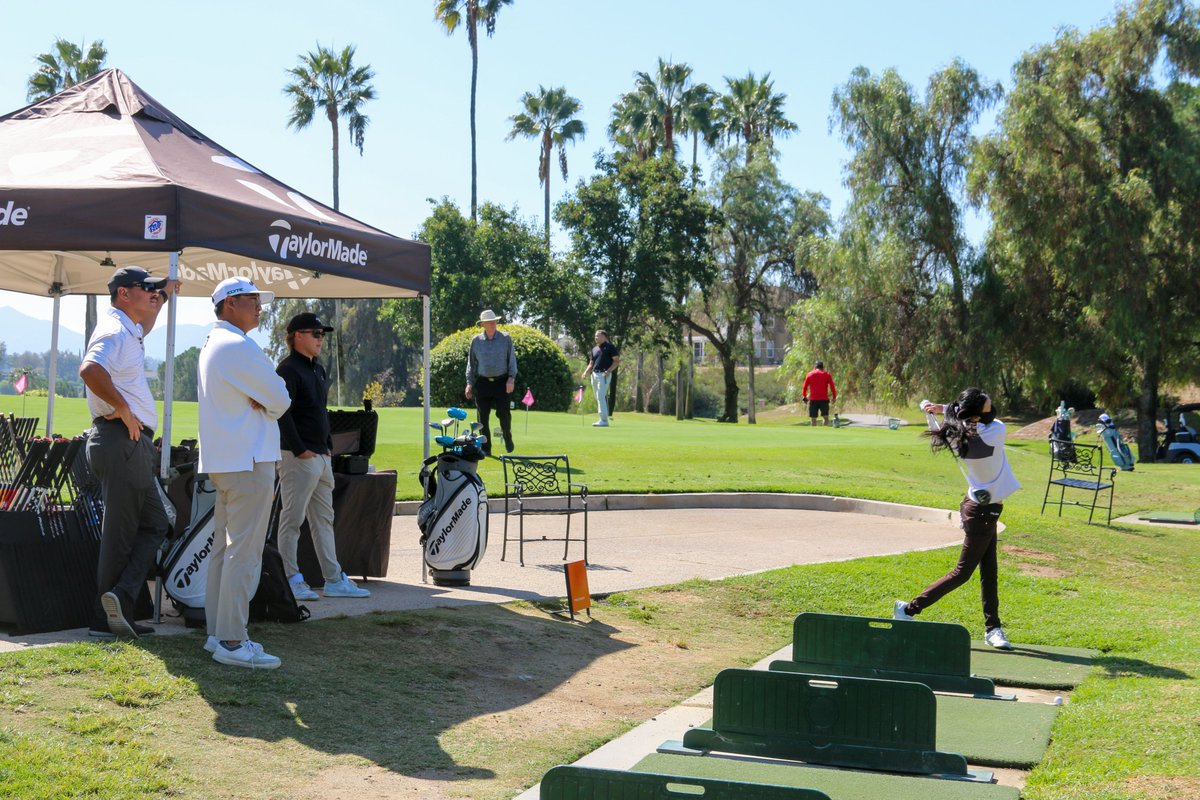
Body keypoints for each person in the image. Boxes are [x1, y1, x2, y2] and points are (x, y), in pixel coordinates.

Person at [79, 267, 179, 639]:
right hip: (120, 438)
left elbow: (148, 323)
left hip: (128, 442)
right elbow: (90, 369)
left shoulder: (130, 328)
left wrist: (164, 294)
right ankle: (102, 619)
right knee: (120, 534)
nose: (153, 294)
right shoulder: (114, 330)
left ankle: (119, 599)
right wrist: (122, 407)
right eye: (146, 289)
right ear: (124, 294)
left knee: (157, 522)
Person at [198, 278, 292, 669]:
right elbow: (282, 398)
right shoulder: (239, 346)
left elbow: (271, 397)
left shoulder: (213, 344)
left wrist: (266, 399)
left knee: (225, 550)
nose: (259, 307)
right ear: (231, 303)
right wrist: (268, 400)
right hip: (248, 460)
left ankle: (219, 634)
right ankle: (233, 641)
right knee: (244, 551)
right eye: (253, 300)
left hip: (227, 461)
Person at [893, 388, 1021, 650]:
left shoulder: (956, 435)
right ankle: (908, 609)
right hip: (982, 513)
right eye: (988, 404)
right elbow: (977, 417)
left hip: (978, 507)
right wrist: (944, 408)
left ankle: (992, 627)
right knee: (962, 573)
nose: (992, 406)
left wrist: (940, 409)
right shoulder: (996, 431)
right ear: (977, 414)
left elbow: (958, 417)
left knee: (990, 571)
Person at [276, 312, 370, 602]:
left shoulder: (318, 369)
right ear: (297, 336)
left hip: (321, 456)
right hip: (298, 456)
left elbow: (319, 411)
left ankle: (333, 579)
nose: (320, 339)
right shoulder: (287, 369)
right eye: (315, 334)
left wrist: (327, 446)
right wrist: (299, 448)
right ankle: (291, 578)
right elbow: (282, 413)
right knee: (292, 520)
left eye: (322, 334)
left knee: (323, 521)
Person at [464, 309, 517, 454]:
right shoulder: (476, 341)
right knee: (482, 418)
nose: (493, 324)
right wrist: (469, 383)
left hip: (502, 381)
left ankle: (507, 436)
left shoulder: (505, 338)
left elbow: (511, 360)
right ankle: (486, 448)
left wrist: (511, 379)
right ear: (483, 325)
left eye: (494, 321)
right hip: (483, 383)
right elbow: (471, 364)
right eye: (489, 322)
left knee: (504, 414)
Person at [581, 330, 620, 427]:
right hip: (594, 375)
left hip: (604, 375)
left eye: (598, 336)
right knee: (597, 397)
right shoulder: (594, 349)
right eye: (595, 336)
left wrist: (609, 371)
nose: (596, 338)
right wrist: (586, 372)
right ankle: (602, 419)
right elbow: (591, 363)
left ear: (604, 337)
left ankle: (604, 420)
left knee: (601, 396)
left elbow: (616, 361)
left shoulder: (610, 347)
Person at [801, 360, 837, 426]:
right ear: (822, 367)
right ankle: (824, 432)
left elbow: (804, 387)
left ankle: (814, 434)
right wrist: (834, 397)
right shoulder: (827, 374)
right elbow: (832, 387)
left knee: (813, 419)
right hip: (824, 400)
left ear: (815, 367)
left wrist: (804, 396)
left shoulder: (810, 374)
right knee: (826, 417)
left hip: (813, 400)